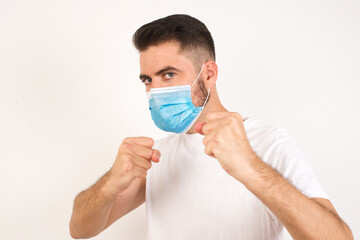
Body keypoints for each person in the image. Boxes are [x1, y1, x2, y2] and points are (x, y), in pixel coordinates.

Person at [69, 14, 353, 239]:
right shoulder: (157, 155)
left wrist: (251, 167)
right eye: (147, 80)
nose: (155, 91)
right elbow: (80, 230)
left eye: (168, 74)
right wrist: (110, 183)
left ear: (208, 74)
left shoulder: (269, 144)